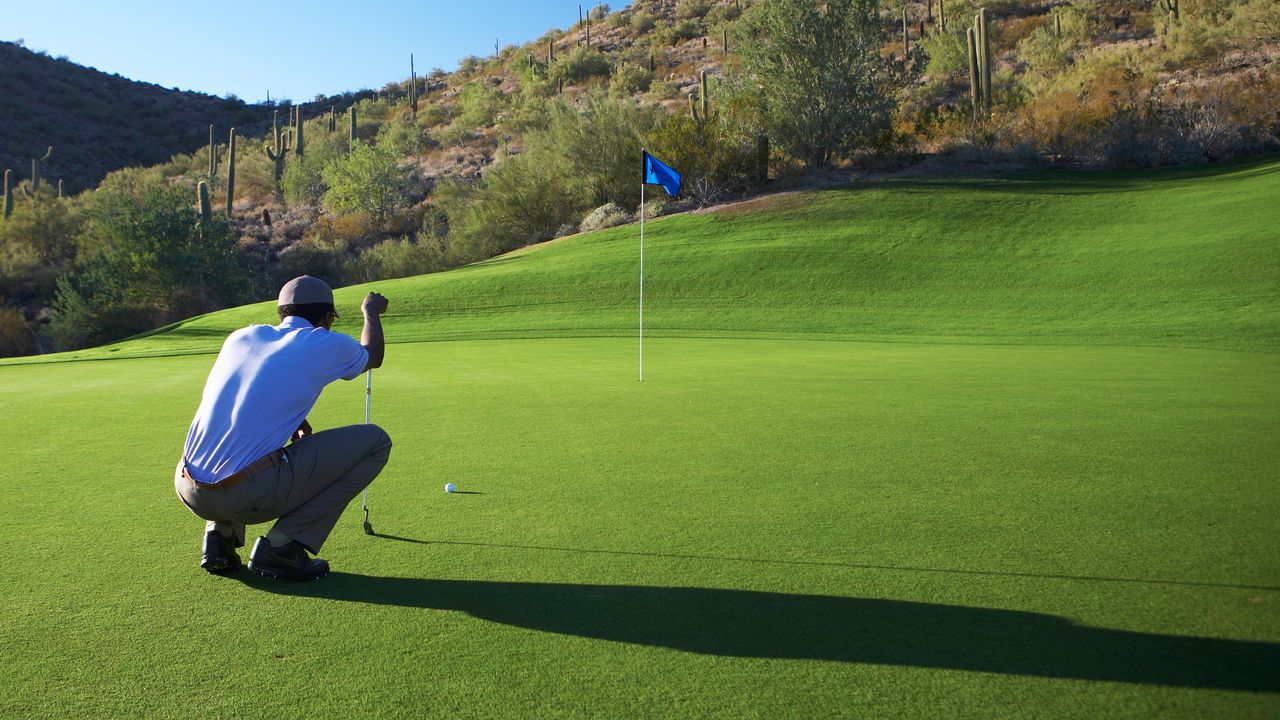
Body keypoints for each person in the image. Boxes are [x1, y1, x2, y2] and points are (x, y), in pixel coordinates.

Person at [174, 275, 392, 581]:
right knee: (376, 442)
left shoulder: (241, 337)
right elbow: (373, 356)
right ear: (328, 318)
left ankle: (219, 538)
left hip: (187, 488)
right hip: (246, 495)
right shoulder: (322, 342)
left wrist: (291, 419)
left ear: (283, 313)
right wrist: (370, 311)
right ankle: (281, 547)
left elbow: (246, 396)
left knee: (232, 450)